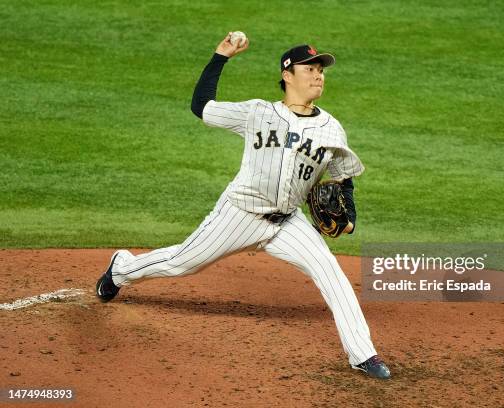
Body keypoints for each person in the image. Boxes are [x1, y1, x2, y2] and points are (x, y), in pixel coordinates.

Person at [95, 32, 391, 380]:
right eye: (309, 68)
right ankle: (121, 269)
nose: (317, 75)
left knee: (332, 274)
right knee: (181, 262)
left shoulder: (332, 129)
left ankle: (363, 354)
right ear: (287, 75)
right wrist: (220, 56)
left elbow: (343, 179)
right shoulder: (257, 113)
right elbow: (201, 107)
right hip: (240, 214)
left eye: (321, 69)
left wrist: (349, 217)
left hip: (287, 224)